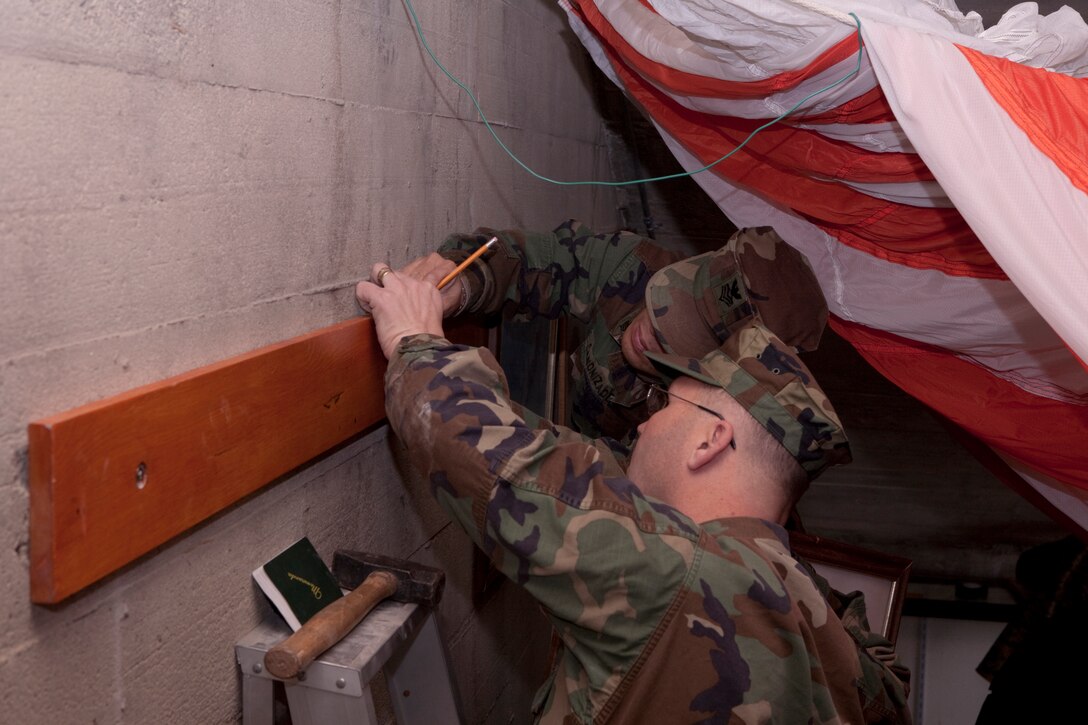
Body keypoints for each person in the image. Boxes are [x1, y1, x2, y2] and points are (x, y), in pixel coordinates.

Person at [355, 266, 912, 723]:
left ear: (712, 439)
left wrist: (413, 338)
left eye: (668, 406)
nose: (645, 426)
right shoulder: (814, 614)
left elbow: (498, 461)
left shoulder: (681, 572)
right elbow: (888, 685)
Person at [384, 221, 827, 446]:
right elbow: (527, 258)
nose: (651, 327)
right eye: (670, 301)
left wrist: (429, 367)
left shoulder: (701, 436)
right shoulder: (636, 267)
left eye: (683, 337)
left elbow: (561, 487)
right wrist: (462, 285)